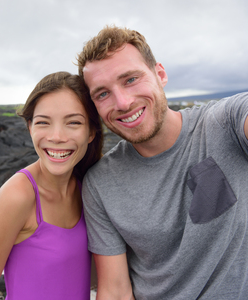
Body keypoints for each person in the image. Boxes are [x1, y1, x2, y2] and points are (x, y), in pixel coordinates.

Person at [76, 25, 248, 299]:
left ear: (160, 74)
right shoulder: (100, 184)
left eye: (131, 79)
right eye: (102, 93)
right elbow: (115, 291)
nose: (122, 102)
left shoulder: (226, 123)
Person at [0, 71, 103, 299]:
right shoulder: (18, 195)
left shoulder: (88, 190)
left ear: (91, 132)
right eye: (43, 123)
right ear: (30, 128)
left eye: (73, 122)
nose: (57, 136)